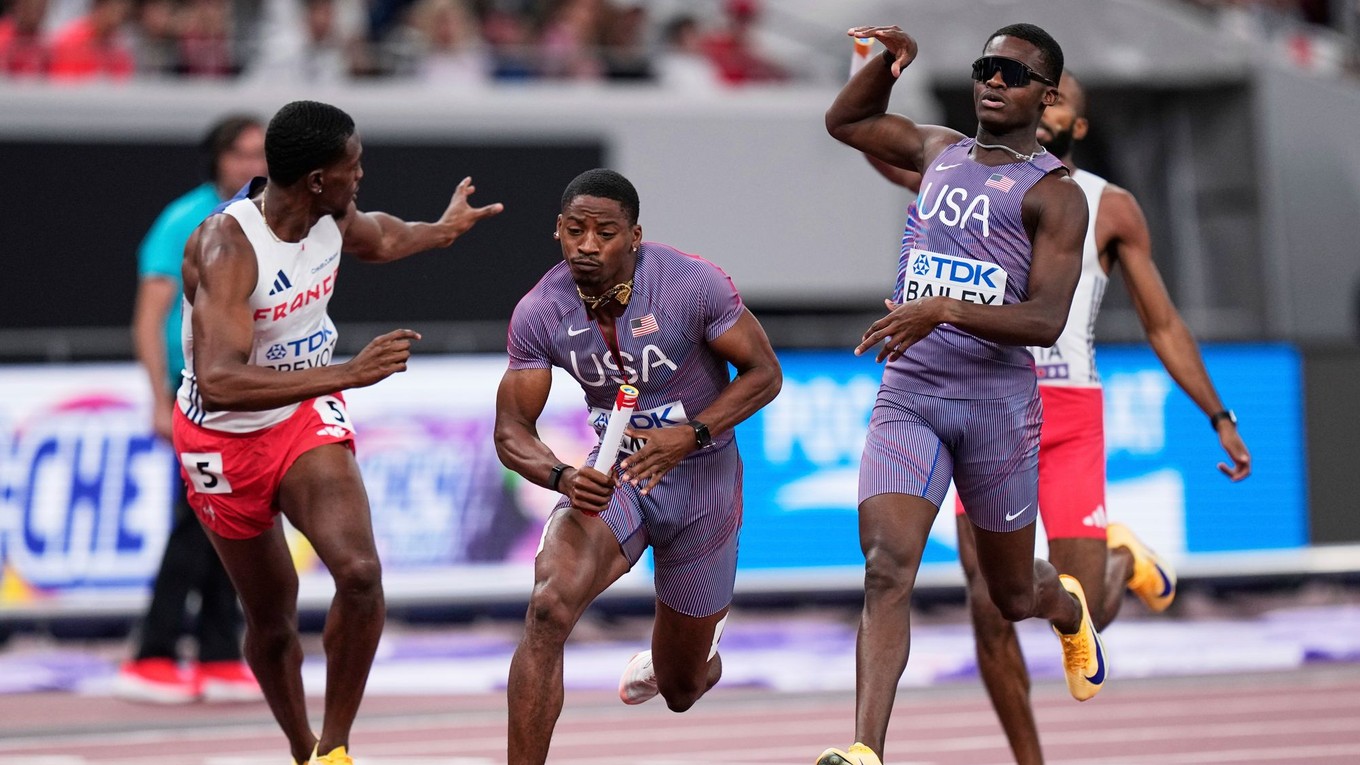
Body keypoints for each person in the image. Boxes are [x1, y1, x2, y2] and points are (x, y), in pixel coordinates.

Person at [855, 67, 1254, 764]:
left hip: (1066, 412)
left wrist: (1217, 414)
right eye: (1037, 95)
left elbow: (1161, 324)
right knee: (989, 601)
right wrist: (866, 77)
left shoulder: (1107, 205)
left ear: (1076, 124)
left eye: (1060, 101)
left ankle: (1120, 556)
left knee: (1082, 609)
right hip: (980, 397)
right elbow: (886, 150)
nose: (1044, 110)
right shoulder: (966, 177)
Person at [173, 99, 502, 765]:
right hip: (223, 435)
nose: (362, 176)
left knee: (358, 573)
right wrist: (346, 373)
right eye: (353, 167)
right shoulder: (228, 245)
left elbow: (382, 236)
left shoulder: (333, 214)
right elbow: (219, 379)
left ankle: (335, 748)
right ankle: (300, 748)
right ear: (317, 178)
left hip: (300, 418)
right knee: (272, 617)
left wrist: (441, 230)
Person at [818, 23, 1096, 765]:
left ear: (1049, 95)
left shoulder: (1058, 196)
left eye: (1014, 72)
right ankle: (865, 750)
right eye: (986, 67)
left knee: (1010, 597)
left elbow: (1043, 320)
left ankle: (1067, 607)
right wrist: (889, 63)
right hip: (912, 393)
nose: (995, 81)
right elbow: (845, 123)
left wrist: (941, 308)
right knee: (886, 565)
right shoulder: (938, 151)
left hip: (997, 410)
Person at [494, 168, 782, 765]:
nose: (588, 245)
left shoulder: (692, 284)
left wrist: (692, 432)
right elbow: (511, 431)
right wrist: (562, 476)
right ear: (558, 231)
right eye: (575, 231)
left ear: (634, 236)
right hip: (615, 479)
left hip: (701, 484)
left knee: (680, 690)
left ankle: (693, 653)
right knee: (548, 607)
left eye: (604, 232)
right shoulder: (540, 312)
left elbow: (764, 374)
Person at [117, 115, 268, 705]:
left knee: (235, 523)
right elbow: (148, 318)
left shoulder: (268, 222)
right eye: (241, 154)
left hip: (250, 394)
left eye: (262, 153)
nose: (252, 165)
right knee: (194, 525)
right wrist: (158, 399)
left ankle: (219, 653)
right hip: (197, 395)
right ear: (217, 160)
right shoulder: (186, 219)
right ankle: (153, 653)